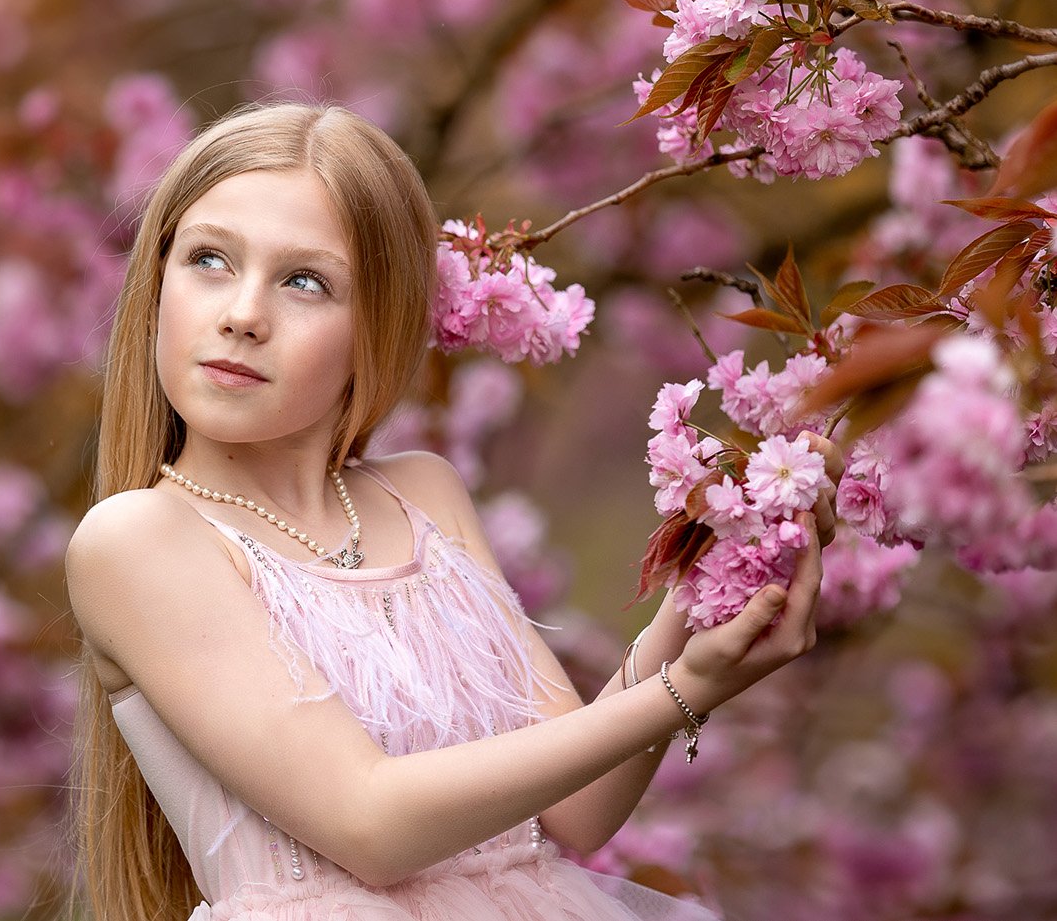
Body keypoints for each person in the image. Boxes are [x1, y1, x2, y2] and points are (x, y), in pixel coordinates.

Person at [64, 101, 841, 921]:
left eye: (305, 281)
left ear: (377, 325)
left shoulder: (423, 494)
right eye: (210, 258)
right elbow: (370, 823)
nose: (242, 313)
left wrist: (711, 582)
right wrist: (683, 691)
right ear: (158, 281)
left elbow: (578, 811)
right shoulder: (141, 540)